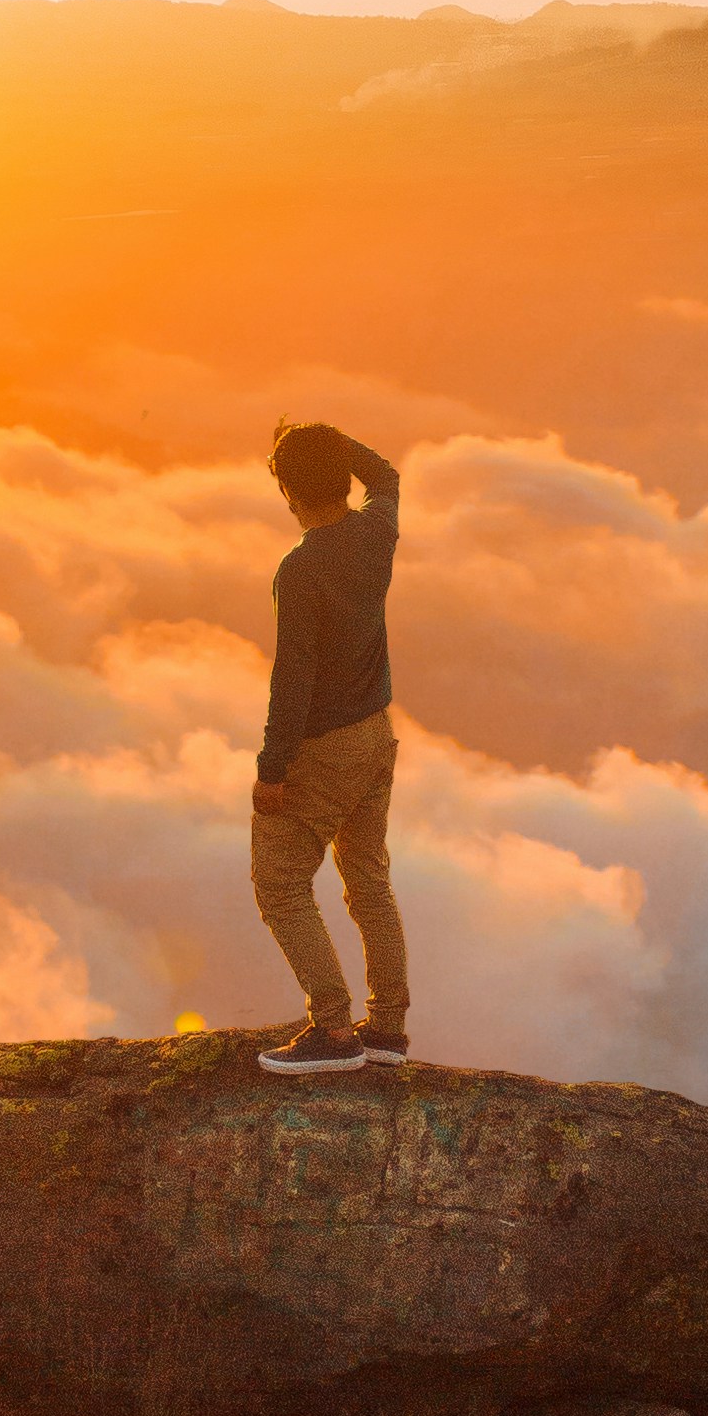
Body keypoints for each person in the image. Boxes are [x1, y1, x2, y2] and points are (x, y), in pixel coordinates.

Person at [249, 416, 408, 1076]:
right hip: (377, 734)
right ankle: (389, 1030)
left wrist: (271, 768)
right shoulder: (376, 532)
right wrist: (337, 441)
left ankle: (335, 1030)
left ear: (286, 489)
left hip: (326, 746)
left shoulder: (303, 568)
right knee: (368, 881)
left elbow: (295, 677)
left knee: (280, 883)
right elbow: (388, 476)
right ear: (341, 477)